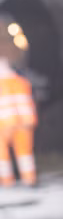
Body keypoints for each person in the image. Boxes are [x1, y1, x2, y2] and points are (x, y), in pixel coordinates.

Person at [0, 56, 37, 188]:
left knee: (2, 155)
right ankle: (29, 179)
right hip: (23, 122)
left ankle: (7, 182)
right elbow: (26, 101)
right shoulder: (20, 82)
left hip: (3, 123)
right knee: (25, 153)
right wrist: (29, 120)